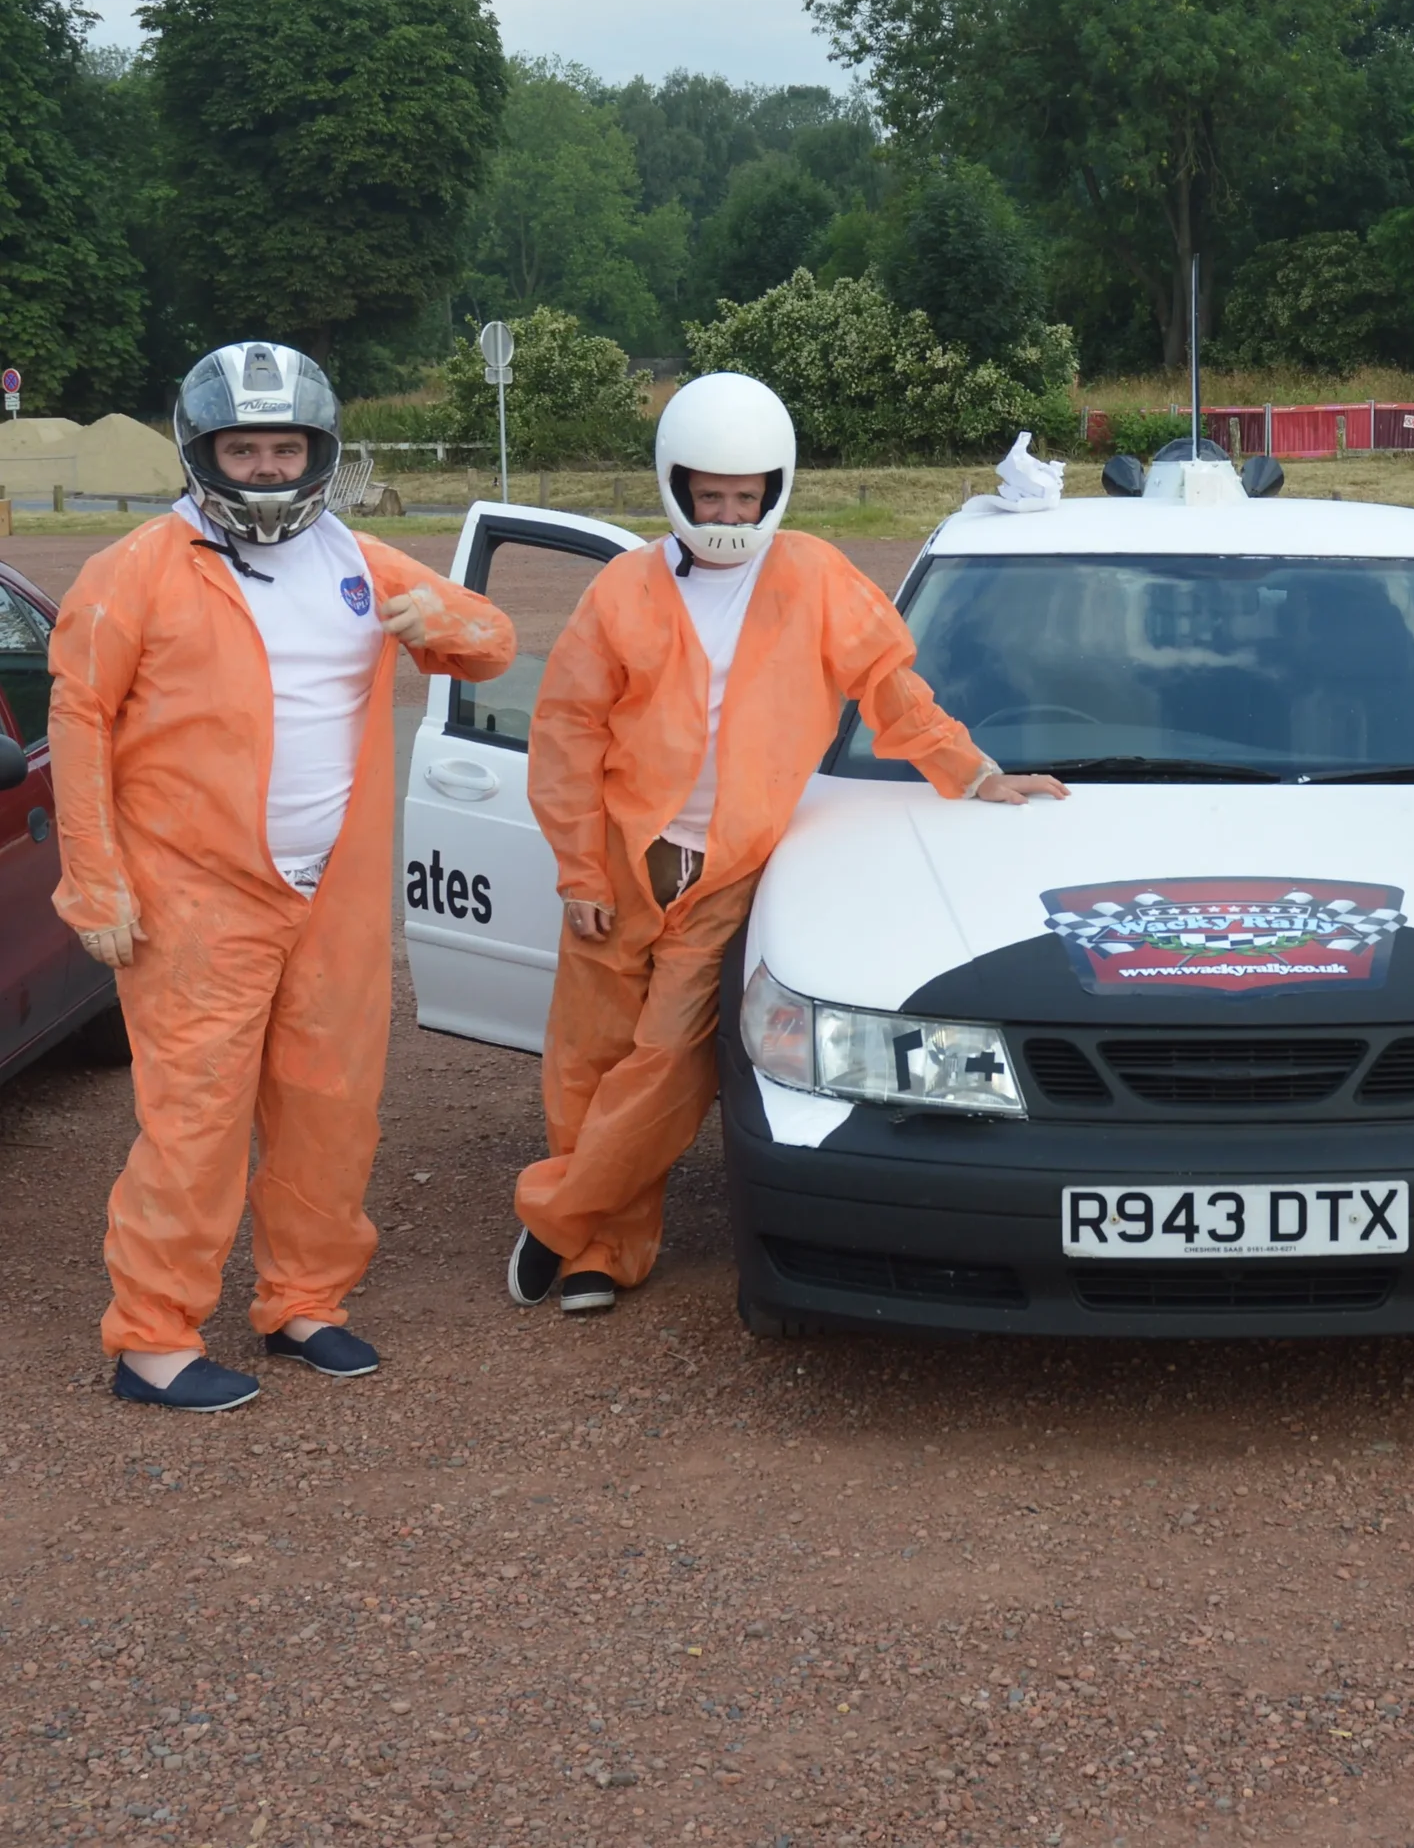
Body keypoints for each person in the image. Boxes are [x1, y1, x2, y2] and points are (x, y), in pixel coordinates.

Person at [508, 372, 1066, 1314]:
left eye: (744, 495)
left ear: (775, 488)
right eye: (710, 495)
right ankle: (604, 1248)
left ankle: (555, 1217)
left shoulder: (812, 575)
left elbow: (891, 690)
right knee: (587, 1061)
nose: (727, 513)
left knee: (667, 1066)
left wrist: (972, 774)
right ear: (675, 486)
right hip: (616, 859)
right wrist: (575, 865)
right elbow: (567, 731)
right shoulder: (621, 591)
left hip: (728, 869)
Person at [49, 342, 515, 1413]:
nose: (265, 465)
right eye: (243, 446)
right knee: (195, 1118)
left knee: (331, 1102)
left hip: (333, 891)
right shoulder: (136, 571)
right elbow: (76, 720)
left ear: (318, 450)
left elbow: (490, 641)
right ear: (202, 449)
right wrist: (96, 881)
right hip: (193, 891)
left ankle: (306, 1297)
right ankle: (154, 1336)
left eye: (284, 445)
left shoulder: (356, 556)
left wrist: (449, 626)